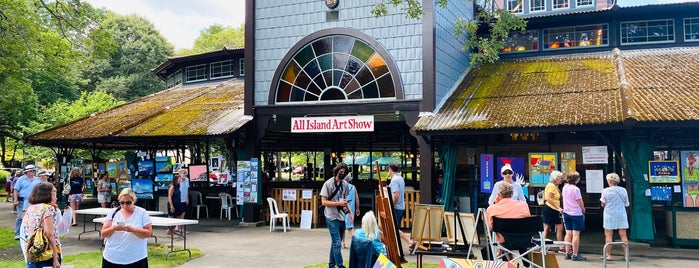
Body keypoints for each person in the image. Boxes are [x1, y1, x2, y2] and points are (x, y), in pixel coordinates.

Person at [100, 188, 153, 268]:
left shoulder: (142, 213)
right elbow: (103, 233)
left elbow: (148, 233)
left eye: (128, 203)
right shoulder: (113, 212)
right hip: (112, 257)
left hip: (136, 258)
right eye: (122, 203)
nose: (125, 205)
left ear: (134, 201)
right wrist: (113, 228)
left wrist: (132, 229)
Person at [485, 182, 532, 266]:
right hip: (524, 239)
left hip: (505, 241)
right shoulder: (523, 205)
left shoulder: (492, 209)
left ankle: (509, 263)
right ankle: (523, 264)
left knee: (502, 234)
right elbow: (528, 221)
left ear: (499, 194)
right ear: (512, 193)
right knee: (516, 231)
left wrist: (497, 202)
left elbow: (491, 227)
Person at [20, 182, 62, 268]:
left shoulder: (30, 208)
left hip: (32, 252)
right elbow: (49, 234)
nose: (56, 197)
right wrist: (55, 257)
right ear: (47, 195)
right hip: (46, 253)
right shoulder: (48, 208)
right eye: (54, 193)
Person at [321, 162, 352, 268]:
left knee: (335, 242)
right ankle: (340, 265)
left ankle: (331, 264)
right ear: (336, 172)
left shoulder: (344, 185)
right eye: (341, 172)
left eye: (344, 172)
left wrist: (350, 213)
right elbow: (324, 202)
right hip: (331, 216)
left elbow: (344, 200)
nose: (342, 174)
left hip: (341, 216)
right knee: (337, 243)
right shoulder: (328, 184)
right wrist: (338, 203)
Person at [387, 162, 417, 253]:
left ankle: (410, 242)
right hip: (401, 206)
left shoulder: (394, 180)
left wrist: (391, 205)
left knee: (394, 228)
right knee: (394, 229)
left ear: (390, 169)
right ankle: (395, 247)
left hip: (396, 207)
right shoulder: (400, 178)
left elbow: (396, 195)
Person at [600, 173, 630, 261]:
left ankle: (608, 255)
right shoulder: (623, 190)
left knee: (608, 235)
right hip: (621, 213)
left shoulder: (605, 191)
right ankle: (626, 255)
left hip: (609, 214)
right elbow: (626, 203)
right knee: (623, 235)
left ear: (609, 181)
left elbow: (603, 203)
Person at [562, 171, 586, 261]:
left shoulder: (565, 187)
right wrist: (583, 209)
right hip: (576, 213)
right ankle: (575, 254)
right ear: (577, 180)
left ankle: (567, 253)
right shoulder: (576, 189)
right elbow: (579, 201)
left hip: (566, 212)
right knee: (576, 234)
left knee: (568, 233)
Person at [14, 165, 42, 240]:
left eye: (34, 171)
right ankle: (17, 233)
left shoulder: (37, 180)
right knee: (20, 217)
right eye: (32, 171)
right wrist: (15, 200)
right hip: (22, 201)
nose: (33, 172)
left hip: (32, 201)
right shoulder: (21, 179)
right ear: (27, 172)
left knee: (31, 217)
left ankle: (28, 233)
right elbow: (16, 190)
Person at [541, 170, 565, 253]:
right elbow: (548, 198)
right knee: (559, 227)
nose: (562, 179)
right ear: (555, 179)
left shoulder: (555, 186)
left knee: (548, 227)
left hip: (550, 209)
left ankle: (542, 245)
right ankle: (561, 246)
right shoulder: (551, 186)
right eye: (560, 178)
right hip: (551, 209)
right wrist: (558, 207)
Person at [342, 172, 360, 249]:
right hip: (351, 209)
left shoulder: (342, 187)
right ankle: (354, 241)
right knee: (349, 226)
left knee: (345, 227)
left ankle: (345, 242)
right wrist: (357, 208)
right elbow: (357, 198)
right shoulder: (353, 187)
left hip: (343, 208)